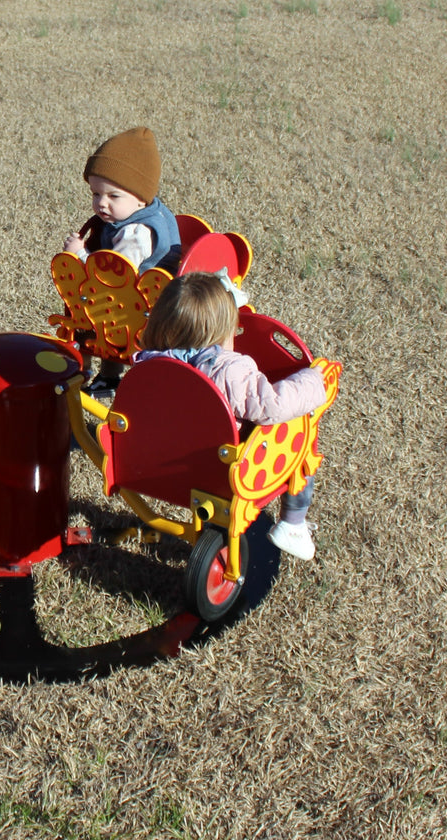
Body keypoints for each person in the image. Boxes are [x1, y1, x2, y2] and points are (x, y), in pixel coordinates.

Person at [135, 272, 327, 561]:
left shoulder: (149, 363)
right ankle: (293, 522)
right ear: (224, 330)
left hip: (160, 466)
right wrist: (313, 381)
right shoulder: (228, 372)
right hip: (222, 471)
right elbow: (271, 404)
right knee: (301, 441)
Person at [63, 127, 182, 397]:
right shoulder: (145, 212)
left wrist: (79, 255)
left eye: (113, 196)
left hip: (139, 307)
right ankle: (108, 377)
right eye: (95, 194)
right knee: (108, 318)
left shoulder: (136, 233)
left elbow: (112, 275)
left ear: (140, 197)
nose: (101, 204)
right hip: (137, 302)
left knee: (89, 316)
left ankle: (88, 372)